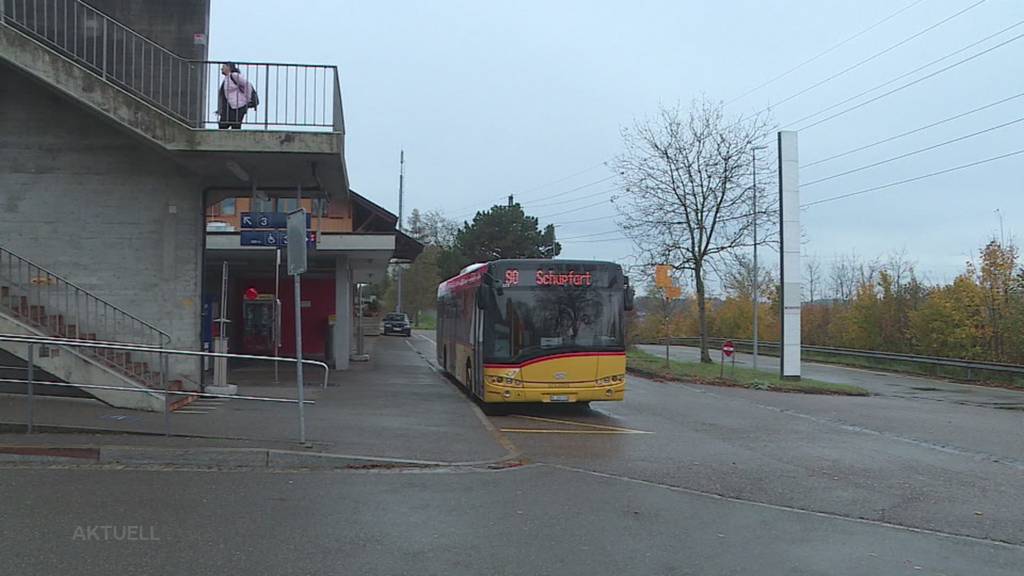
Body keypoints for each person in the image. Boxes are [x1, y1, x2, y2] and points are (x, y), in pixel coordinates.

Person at [217, 62, 252, 129]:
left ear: (228, 67)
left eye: (223, 67)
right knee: (223, 125)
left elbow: (247, 85)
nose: (221, 69)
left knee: (234, 126)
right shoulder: (227, 79)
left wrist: (247, 99)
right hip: (230, 106)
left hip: (238, 106)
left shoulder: (234, 75)